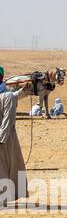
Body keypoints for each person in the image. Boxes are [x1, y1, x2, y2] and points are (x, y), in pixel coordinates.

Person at [0, 66, 27, 208]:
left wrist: (1, 139)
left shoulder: (7, 95)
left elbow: (8, 120)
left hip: (5, 138)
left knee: (5, 167)